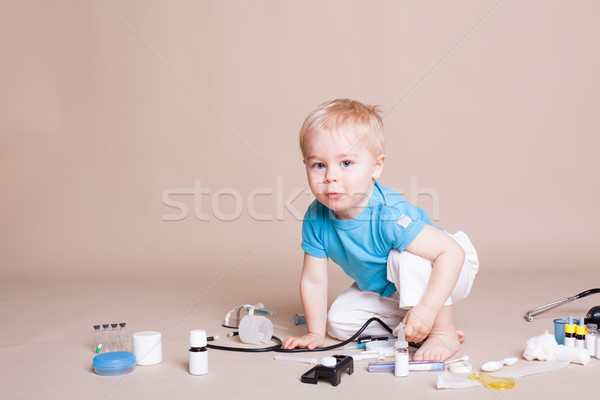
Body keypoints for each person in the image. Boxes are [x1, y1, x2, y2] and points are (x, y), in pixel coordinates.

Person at [281, 99, 479, 361]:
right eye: (319, 165)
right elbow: (314, 281)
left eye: (346, 163)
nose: (330, 176)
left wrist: (429, 309)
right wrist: (315, 333)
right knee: (338, 322)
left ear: (376, 166)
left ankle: (442, 330)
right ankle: (410, 324)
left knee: (405, 256)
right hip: (392, 287)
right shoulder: (316, 218)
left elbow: (450, 253)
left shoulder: (388, 215)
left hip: (446, 268)